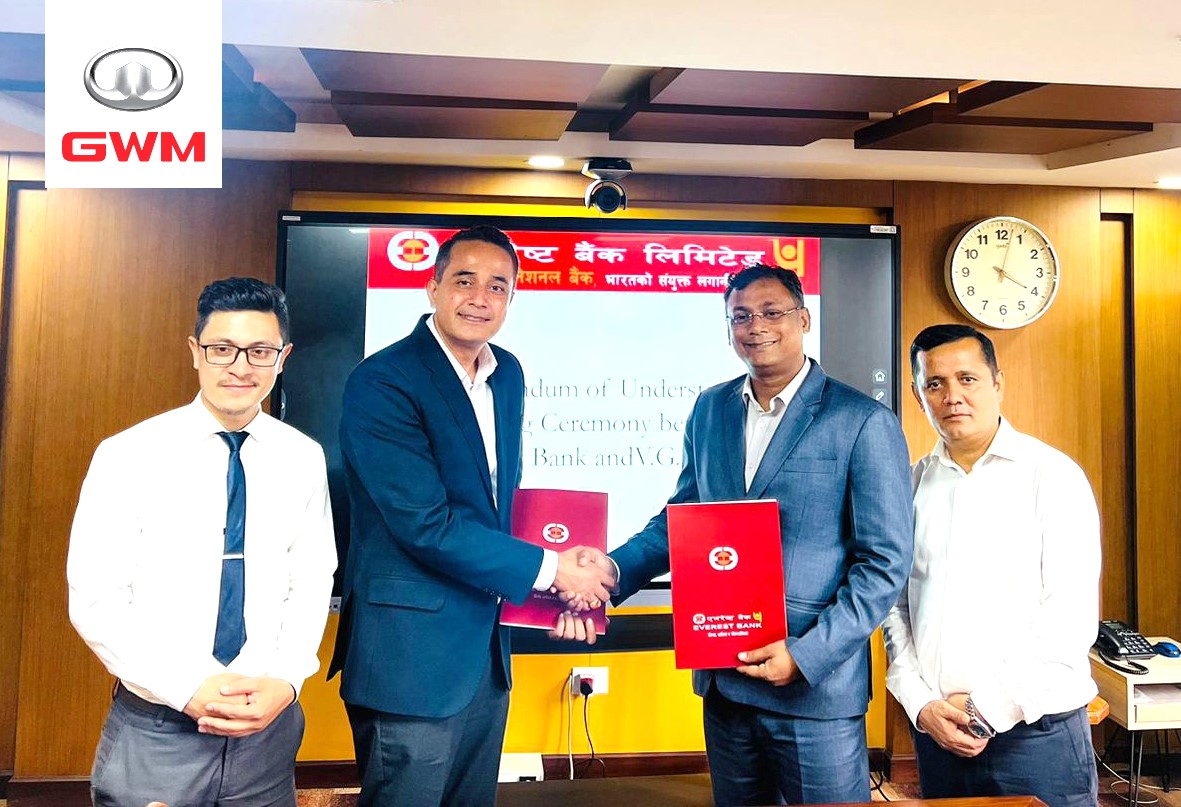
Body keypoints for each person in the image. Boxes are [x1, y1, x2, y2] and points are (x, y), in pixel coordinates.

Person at [560, 263, 914, 805]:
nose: (756, 326)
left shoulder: (861, 419)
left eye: (772, 312)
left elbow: (884, 562)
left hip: (812, 686)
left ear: (804, 319)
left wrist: (806, 655)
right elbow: (682, 518)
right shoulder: (711, 408)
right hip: (725, 679)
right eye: (741, 316)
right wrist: (613, 569)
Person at [329, 225, 613, 807]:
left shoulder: (506, 373)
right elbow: (424, 523)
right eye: (464, 281)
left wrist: (553, 593)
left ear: (511, 299)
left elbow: (497, 507)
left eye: (498, 286)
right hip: (410, 656)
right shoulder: (383, 381)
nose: (480, 298)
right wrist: (553, 570)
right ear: (432, 287)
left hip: (485, 651)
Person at [67, 277, 337, 807]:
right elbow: (96, 599)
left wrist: (286, 681)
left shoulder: (303, 457)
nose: (240, 367)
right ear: (196, 352)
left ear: (282, 358)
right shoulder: (128, 454)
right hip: (159, 728)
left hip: (268, 731)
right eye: (222, 349)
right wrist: (187, 688)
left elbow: (311, 578)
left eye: (259, 351)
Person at [882, 323, 1100, 807]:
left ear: (997, 383)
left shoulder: (1052, 477)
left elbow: (1069, 618)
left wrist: (987, 711)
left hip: (1035, 735)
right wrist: (920, 703)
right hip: (939, 733)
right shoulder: (911, 485)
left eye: (967, 379)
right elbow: (895, 608)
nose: (952, 396)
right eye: (934, 384)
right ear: (918, 397)